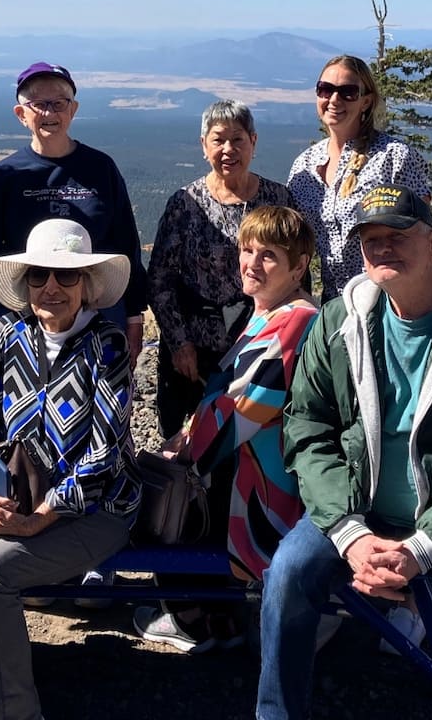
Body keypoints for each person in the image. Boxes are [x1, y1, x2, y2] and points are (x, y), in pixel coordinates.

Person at [255, 185, 432, 720]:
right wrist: (350, 533)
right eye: (370, 240)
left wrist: (424, 545)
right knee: (288, 574)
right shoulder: (338, 322)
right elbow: (307, 429)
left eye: (398, 236)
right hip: (353, 512)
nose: (382, 249)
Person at [0, 218, 141, 720]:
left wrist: (36, 519)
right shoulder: (10, 336)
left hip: (99, 509)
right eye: (39, 276)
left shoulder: (108, 346)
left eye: (65, 277)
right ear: (25, 284)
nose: (51, 287)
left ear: (87, 286)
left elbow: (103, 456)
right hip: (17, 498)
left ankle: (14, 712)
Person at [134, 206, 319, 653]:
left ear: (299, 267)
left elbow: (246, 409)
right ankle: (211, 612)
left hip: (261, 491)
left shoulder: (294, 321)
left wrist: (180, 446)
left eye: (269, 255)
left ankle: (193, 618)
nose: (252, 263)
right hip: (246, 473)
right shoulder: (265, 313)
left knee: (167, 499)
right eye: (247, 250)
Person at [0, 61, 147, 381]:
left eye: (59, 102)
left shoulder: (101, 169)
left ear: (72, 109)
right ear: (22, 114)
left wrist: (134, 316)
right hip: (24, 313)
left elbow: (125, 243)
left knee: (104, 402)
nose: (50, 113)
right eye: (39, 104)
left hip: (99, 312)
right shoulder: (3, 178)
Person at [147, 99, 296, 440]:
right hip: (192, 355)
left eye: (238, 139)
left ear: (253, 142)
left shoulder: (278, 199)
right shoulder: (185, 203)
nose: (228, 149)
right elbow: (160, 281)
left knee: (251, 444)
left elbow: (296, 273)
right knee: (185, 445)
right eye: (218, 140)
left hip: (261, 346)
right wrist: (180, 343)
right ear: (204, 146)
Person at [287, 55, 430, 302]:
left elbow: (424, 233)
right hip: (335, 306)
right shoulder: (304, 166)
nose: (334, 99)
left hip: (390, 300)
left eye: (348, 92)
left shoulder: (394, 157)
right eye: (325, 89)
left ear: (366, 102)